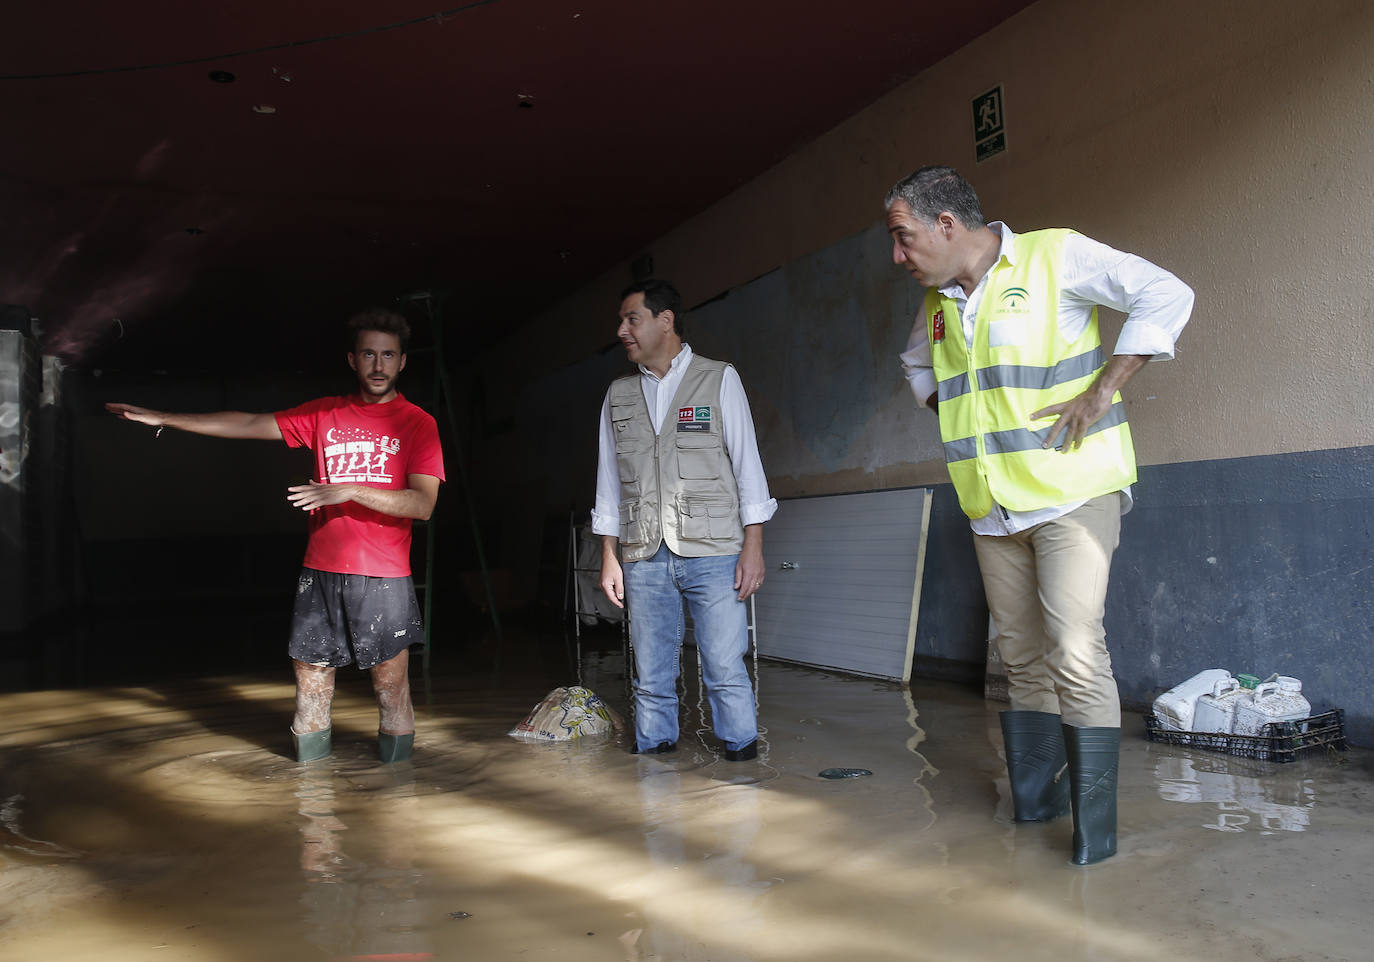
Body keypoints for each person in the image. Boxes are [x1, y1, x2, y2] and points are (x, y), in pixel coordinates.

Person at [885, 166, 1193, 864]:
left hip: (1071, 491)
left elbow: (1165, 292)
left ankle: (1096, 830)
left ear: (946, 225)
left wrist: (1105, 389)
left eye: (903, 238)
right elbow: (917, 368)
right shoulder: (937, 307)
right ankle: (1036, 799)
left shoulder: (1055, 255)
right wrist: (961, 418)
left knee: (1076, 651)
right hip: (991, 505)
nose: (897, 256)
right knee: (1019, 658)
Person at [106, 309, 444, 764]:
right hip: (320, 571)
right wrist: (166, 417)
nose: (378, 365)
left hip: (383, 574)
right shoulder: (325, 413)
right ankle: (311, 798)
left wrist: (349, 489)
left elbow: (422, 505)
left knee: (390, 685)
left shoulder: (418, 424)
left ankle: (400, 794)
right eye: (368, 354)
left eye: (388, 355)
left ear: (402, 362)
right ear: (352, 359)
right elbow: (248, 423)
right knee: (310, 682)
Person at [594, 279, 777, 760]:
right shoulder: (618, 396)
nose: (622, 331)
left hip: (716, 554)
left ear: (665, 320)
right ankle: (654, 769)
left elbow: (747, 466)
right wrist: (609, 557)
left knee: (724, 666)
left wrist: (753, 548)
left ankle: (741, 762)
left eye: (631, 319)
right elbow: (609, 484)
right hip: (643, 555)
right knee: (650, 672)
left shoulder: (718, 379)